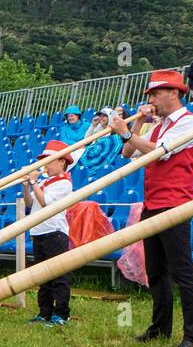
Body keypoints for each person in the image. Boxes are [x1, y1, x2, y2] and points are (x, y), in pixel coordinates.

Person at [109, 69, 193, 347]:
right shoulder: (160, 125)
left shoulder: (188, 123)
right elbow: (128, 153)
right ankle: (160, 327)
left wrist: (126, 132)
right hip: (152, 203)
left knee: (182, 271)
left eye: (155, 93)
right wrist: (136, 123)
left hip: (175, 203)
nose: (151, 99)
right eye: (149, 95)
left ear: (175, 93)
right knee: (156, 271)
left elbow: (159, 152)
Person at [23, 140, 75, 326]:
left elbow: (45, 202)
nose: (45, 164)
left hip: (55, 232)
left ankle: (61, 314)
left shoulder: (64, 183)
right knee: (42, 276)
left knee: (58, 275)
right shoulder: (45, 182)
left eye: (49, 159)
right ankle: (44, 312)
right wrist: (26, 186)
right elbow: (30, 204)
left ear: (62, 162)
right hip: (38, 231)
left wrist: (34, 181)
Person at [81, 108, 122, 176]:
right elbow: (86, 140)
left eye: (104, 116)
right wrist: (93, 125)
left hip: (102, 156)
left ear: (109, 117)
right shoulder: (99, 127)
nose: (101, 118)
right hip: (92, 153)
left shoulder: (114, 130)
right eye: (100, 116)